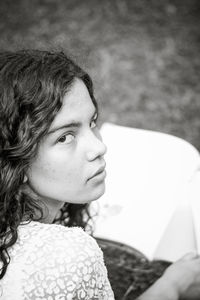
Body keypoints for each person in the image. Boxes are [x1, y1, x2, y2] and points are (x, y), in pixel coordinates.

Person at [0, 49, 200, 300]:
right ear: (15, 157)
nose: (99, 147)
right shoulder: (66, 257)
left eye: (92, 122)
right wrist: (175, 285)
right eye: (65, 137)